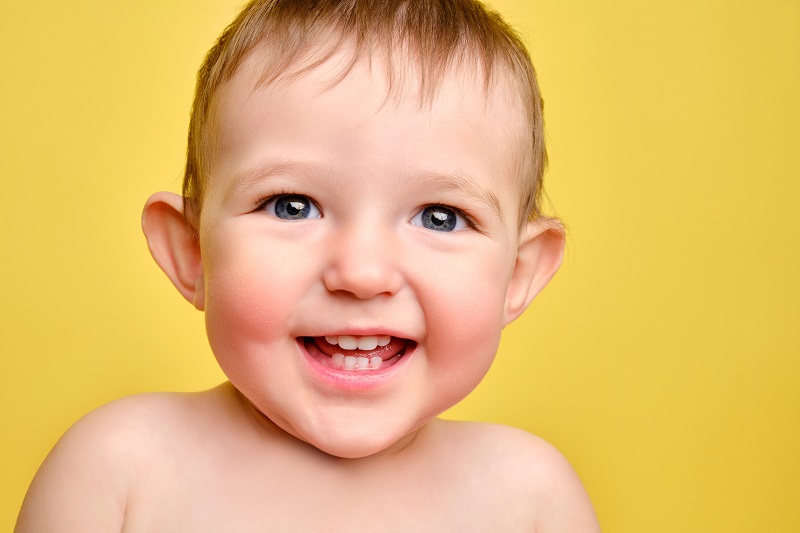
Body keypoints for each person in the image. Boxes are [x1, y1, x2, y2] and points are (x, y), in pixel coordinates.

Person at [16, 0, 599, 530]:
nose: (362, 274)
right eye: (292, 206)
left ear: (517, 274)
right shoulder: (118, 475)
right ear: (193, 251)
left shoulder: (531, 503)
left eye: (440, 218)